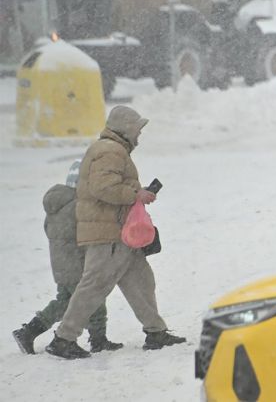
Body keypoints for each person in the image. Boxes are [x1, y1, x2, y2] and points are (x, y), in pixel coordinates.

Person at [45, 106, 185, 359]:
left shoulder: (114, 150)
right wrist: (136, 194)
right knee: (93, 286)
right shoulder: (109, 150)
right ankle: (63, 339)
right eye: (138, 129)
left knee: (141, 281)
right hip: (107, 233)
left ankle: (156, 332)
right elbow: (103, 188)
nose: (140, 135)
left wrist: (136, 191)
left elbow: (110, 185)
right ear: (126, 129)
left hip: (121, 233)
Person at [12, 161, 122, 355]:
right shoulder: (78, 207)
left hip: (61, 263)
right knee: (87, 300)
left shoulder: (57, 204)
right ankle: (96, 339)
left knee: (69, 300)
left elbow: (49, 231)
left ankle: (29, 332)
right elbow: (89, 233)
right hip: (77, 264)